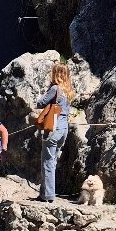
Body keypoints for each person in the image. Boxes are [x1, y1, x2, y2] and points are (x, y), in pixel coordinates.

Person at [36, 63, 74, 203]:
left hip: (53, 128)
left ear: (55, 74)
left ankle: (49, 196)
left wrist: (40, 96)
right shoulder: (67, 90)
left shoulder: (55, 89)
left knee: (47, 162)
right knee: (51, 160)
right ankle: (43, 193)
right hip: (64, 129)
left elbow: (41, 103)